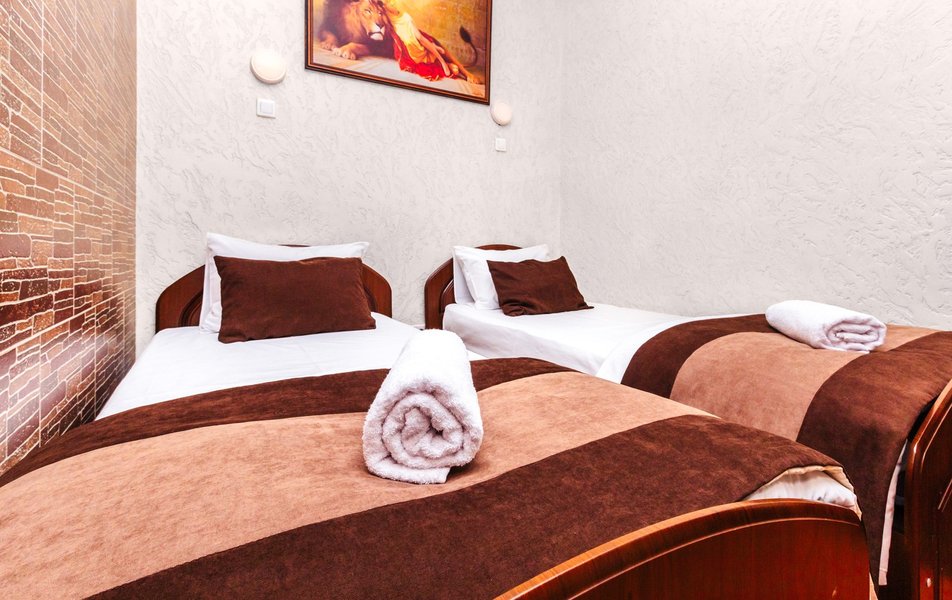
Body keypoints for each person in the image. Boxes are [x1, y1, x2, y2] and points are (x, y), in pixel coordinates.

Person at [382, 0, 481, 83]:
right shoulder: (384, 13)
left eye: (392, 1)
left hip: (414, 33)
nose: (392, 3)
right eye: (388, 2)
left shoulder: (404, 15)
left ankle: (458, 69)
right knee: (452, 69)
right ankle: (446, 62)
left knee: (426, 41)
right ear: (384, 6)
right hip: (409, 46)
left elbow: (419, 36)